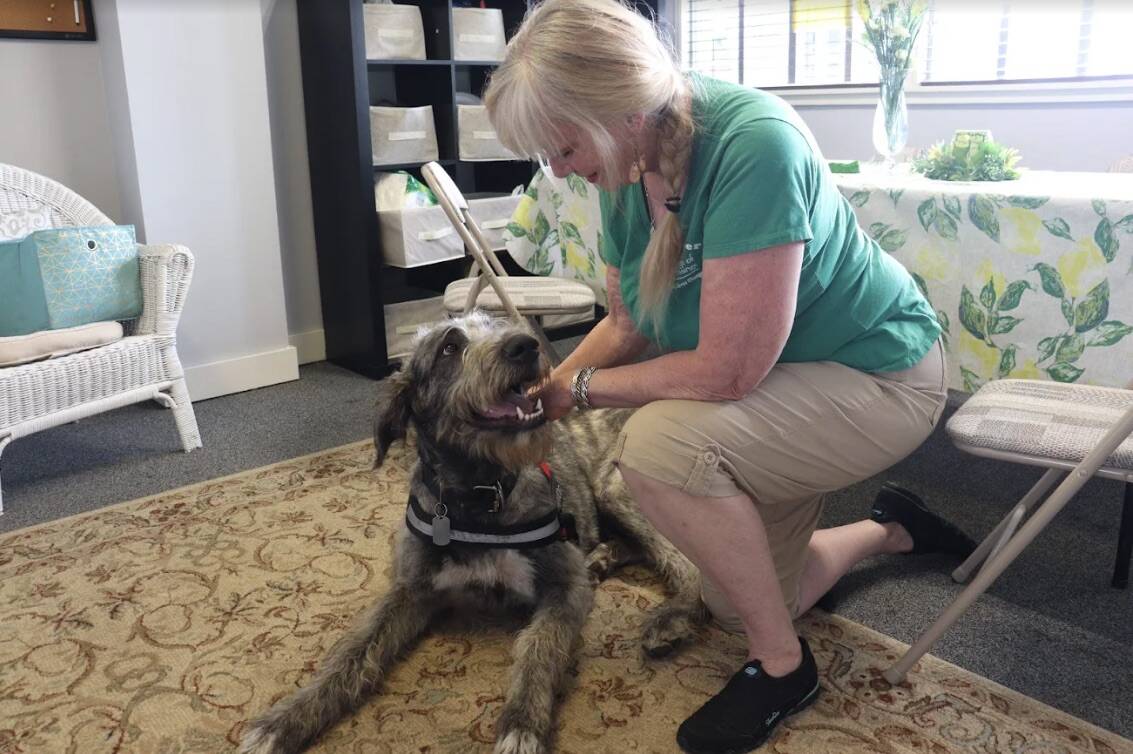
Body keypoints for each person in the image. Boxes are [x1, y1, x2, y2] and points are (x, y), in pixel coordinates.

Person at [483, 1, 974, 752]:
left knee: (658, 449)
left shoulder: (755, 145)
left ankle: (781, 668)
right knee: (733, 598)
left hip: (877, 377)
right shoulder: (625, 162)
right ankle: (891, 527)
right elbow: (628, 323)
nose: (555, 170)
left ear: (620, 111)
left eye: (561, 147)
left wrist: (576, 394)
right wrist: (549, 390)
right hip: (780, 385)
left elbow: (726, 370)